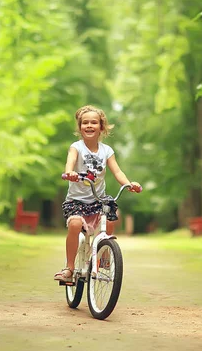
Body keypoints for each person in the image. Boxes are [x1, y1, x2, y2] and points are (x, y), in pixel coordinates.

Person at [53, 105, 141, 282]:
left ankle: (102, 258)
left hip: (98, 200)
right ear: (80, 128)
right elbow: (70, 162)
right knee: (75, 224)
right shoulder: (76, 147)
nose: (89, 125)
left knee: (110, 220)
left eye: (94, 122)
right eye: (85, 123)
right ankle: (69, 268)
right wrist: (70, 172)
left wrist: (129, 184)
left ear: (102, 127)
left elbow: (117, 172)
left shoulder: (107, 151)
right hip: (76, 201)